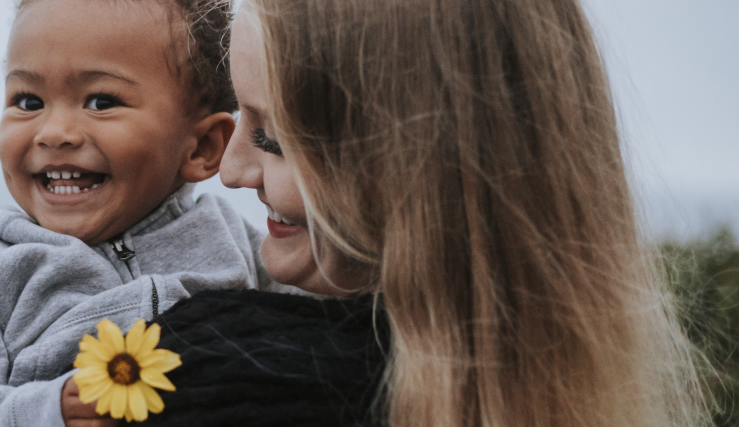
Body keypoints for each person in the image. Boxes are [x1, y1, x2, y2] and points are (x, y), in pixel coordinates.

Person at [139, 0, 710, 426]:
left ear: (413, 168)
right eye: (241, 116)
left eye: (275, 138)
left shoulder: (217, 380)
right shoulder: (562, 395)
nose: (231, 169)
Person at [0, 1, 298, 426]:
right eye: (28, 100)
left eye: (100, 101)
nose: (54, 132)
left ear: (202, 147)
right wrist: (45, 410)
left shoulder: (237, 243)